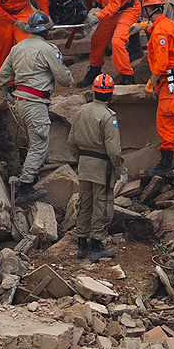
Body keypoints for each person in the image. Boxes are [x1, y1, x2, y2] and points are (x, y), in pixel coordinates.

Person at [0, 11, 73, 205]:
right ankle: (25, 186)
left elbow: (2, 75)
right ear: (46, 30)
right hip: (35, 101)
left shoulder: (18, 47)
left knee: (34, 141)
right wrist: (71, 80)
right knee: (39, 142)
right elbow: (63, 77)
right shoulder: (48, 49)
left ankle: (31, 173)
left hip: (20, 101)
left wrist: (3, 95)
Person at [68, 73, 124, 262]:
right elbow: (114, 150)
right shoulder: (109, 117)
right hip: (102, 167)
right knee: (102, 204)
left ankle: (81, 245)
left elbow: (71, 141)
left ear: (93, 91)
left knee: (85, 203)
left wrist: (81, 159)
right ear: (111, 94)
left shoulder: (82, 111)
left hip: (84, 165)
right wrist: (119, 169)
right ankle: (95, 245)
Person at [139, 0, 174, 178]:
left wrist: (150, 83)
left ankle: (166, 165)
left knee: (165, 122)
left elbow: (161, 63)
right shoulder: (169, 25)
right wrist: (144, 27)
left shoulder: (160, 31)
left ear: (149, 9)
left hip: (169, 83)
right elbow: (160, 32)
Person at [77, 0, 141, 87]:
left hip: (127, 10)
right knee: (97, 40)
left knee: (118, 41)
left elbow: (114, 5)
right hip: (114, 11)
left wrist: (97, 16)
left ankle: (126, 76)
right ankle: (95, 69)